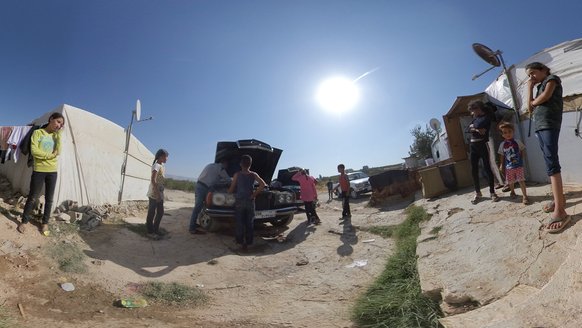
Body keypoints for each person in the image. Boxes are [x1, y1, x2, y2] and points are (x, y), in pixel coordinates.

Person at [527, 62, 570, 233]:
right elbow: (529, 107)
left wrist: (533, 101)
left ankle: (561, 211)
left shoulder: (552, 79)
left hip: (549, 125)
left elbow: (544, 97)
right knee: (548, 164)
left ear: (543, 70)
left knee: (552, 164)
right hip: (540, 126)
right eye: (529, 75)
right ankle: (559, 200)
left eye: (533, 73)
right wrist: (530, 88)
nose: (531, 77)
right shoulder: (537, 86)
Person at [17, 112, 64, 236]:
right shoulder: (38, 133)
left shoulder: (56, 136)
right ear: (51, 119)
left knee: (49, 199)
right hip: (39, 169)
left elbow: (58, 151)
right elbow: (35, 151)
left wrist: (58, 135)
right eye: (58, 122)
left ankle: (45, 223)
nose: (59, 125)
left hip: (53, 171)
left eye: (61, 124)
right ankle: (24, 221)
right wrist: (50, 155)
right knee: (32, 196)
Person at [228, 155, 266, 251]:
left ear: (241, 164)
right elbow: (263, 185)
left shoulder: (237, 174)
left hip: (240, 201)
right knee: (249, 223)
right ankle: (249, 243)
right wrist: (254, 195)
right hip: (250, 201)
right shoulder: (254, 174)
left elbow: (232, 189)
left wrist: (229, 192)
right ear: (250, 164)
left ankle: (239, 242)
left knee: (239, 223)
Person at [467, 100, 500, 204]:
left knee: (487, 168)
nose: (472, 113)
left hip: (482, 145)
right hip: (473, 146)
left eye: (473, 110)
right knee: (474, 170)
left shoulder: (487, 117)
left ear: (478, 109)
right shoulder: (475, 118)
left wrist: (474, 127)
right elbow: (468, 129)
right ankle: (478, 193)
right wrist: (476, 129)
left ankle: (492, 192)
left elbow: (477, 125)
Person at [189, 159, 231, 234]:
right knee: (199, 207)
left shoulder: (210, 165)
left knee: (199, 206)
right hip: (204, 188)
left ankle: (194, 224)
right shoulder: (221, 168)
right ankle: (192, 228)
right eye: (226, 165)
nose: (226, 167)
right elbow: (228, 180)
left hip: (199, 185)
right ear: (224, 164)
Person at [497, 122, 529, 205]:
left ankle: (525, 196)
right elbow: (502, 155)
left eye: (509, 131)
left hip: (518, 166)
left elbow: (522, 149)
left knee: (521, 181)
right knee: (511, 181)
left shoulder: (517, 141)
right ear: (502, 134)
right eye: (505, 132)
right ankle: (512, 191)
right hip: (509, 167)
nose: (508, 134)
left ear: (513, 131)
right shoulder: (502, 144)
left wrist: (521, 159)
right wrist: (501, 165)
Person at [145, 149, 169, 240]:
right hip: (154, 194)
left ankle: (155, 229)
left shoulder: (162, 166)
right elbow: (153, 180)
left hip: (159, 193)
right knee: (151, 213)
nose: (167, 158)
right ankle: (150, 232)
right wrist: (158, 194)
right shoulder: (156, 166)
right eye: (166, 156)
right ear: (161, 157)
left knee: (160, 212)